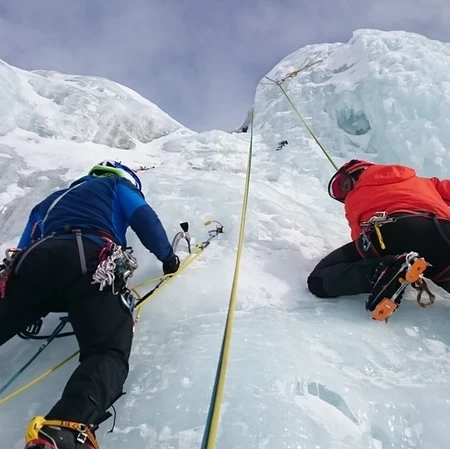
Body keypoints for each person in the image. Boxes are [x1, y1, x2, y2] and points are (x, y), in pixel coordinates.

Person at [0, 160, 180, 449]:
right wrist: (168, 258)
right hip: (88, 257)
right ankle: (66, 427)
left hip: (34, 260)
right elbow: (144, 218)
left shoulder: (54, 198)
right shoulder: (116, 185)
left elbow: (26, 240)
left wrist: (24, 299)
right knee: (107, 349)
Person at [307, 159, 450, 320]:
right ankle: (399, 265)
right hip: (445, 232)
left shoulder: (354, 197)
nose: (346, 194)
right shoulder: (421, 182)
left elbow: (359, 238)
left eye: (345, 185)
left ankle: (386, 269)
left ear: (358, 173)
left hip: (393, 232)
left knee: (318, 280)